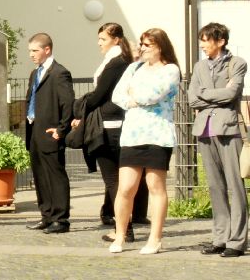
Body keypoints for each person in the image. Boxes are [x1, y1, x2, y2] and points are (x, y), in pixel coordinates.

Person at [69, 23, 147, 244]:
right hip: (116, 123)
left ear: (115, 39)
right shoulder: (123, 61)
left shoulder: (116, 63)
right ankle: (123, 225)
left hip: (109, 126)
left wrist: (79, 109)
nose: (99, 43)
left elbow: (99, 95)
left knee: (114, 180)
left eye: (103, 39)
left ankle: (124, 228)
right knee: (120, 180)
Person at [108, 28, 181, 255]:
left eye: (148, 45)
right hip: (132, 134)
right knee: (126, 188)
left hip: (157, 135)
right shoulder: (134, 67)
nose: (143, 49)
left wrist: (134, 94)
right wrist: (133, 98)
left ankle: (155, 238)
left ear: (160, 46)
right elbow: (117, 96)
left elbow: (153, 95)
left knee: (155, 187)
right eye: (141, 44)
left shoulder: (170, 70)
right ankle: (120, 235)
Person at [189, 22, 248, 258]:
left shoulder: (237, 63)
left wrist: (205, 94)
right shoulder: (199, 66)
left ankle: (237, 241)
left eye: (206, 40)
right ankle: (220, 238)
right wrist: (211, 96)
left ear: (220, 41)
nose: (202, 45)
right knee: (215, 187)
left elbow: (231, 94)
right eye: (201, 40)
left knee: (235, 185)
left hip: (229, 129)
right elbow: (192, 98)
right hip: (205, 130)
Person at [24, 33, 75, 234]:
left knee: (55, 176)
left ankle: (61, 219)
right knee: (40, 176)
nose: (31, 55)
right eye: (30, 51)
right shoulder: (35, 73)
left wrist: (61, 130)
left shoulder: (59, 73)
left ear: (47, 49)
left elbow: (68, 104)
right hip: (35, 132)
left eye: (35, 50)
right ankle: (46, 215)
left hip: (51, 132)